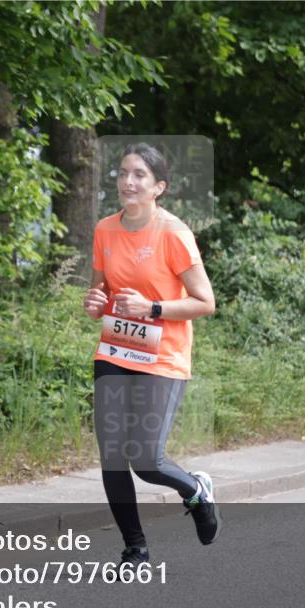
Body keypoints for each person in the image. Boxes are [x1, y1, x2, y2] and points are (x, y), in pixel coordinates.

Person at [82, 142, 220, 565]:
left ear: (158, 187)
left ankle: (195, 490)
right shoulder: (106, 229)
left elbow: (205, 302)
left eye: (139, 174)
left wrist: (153, 308)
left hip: (162, 356)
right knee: (112, 456)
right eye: (124, 172)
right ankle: (135, 548)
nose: (128, 181)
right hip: (116, 349)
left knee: (145, 458)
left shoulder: (174, 233)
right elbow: (102, 292)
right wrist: (94, 304)